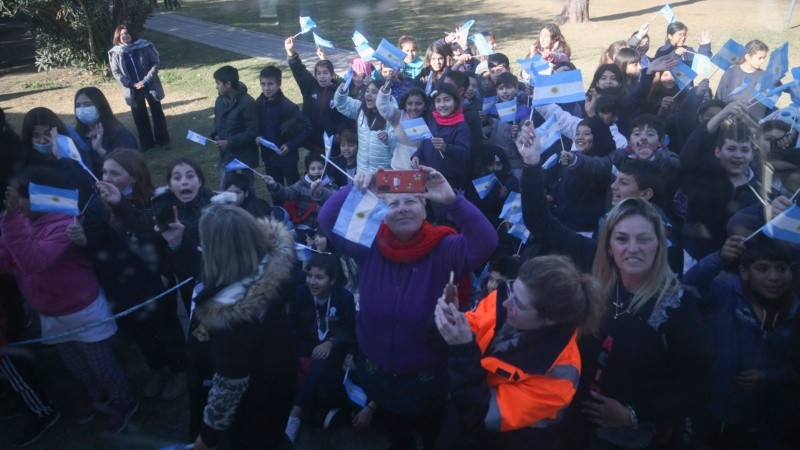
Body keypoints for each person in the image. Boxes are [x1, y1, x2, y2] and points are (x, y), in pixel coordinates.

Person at [516, 125, 711, 449]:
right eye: (621, 238)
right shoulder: (598, 274)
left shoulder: (677, 308)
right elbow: (541, 224)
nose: (632, 248)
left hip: (631, 439)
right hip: (575, 426)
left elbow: (697, 387)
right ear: (608, 244)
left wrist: (634, 414)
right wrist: (532, 164)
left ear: (658, 245)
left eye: (643, 239)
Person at [317, 166, 497, 449]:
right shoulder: (369, 244)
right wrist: (357, 190)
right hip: (377, 374)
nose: (402, 209)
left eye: (411, 201)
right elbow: (327, 220)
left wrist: (452, 200)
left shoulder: (445, 248)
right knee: (396, 436)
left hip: (427, 380)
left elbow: (485, 242)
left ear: (425, 208)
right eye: (393, 203)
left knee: (431, 436)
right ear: (382, 212)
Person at [1, 167, 138, 433]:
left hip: (81, 310)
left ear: (41, 197)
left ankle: (123, 400)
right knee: (76, 365)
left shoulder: (64, 223)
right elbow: (5, 254)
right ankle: (97, 395)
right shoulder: (18, 220)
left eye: (20, 198)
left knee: (102, 365)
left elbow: (34, 261)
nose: (14, 204)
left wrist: (10, 220)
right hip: (49, 312)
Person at [435, 254, 605, 449]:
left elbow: (482, 416)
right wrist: (446, 321)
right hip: (458, 427)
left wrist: (463, 349)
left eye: (519, 304)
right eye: (511, 289)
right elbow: (450, 348)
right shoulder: (503, 301)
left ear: (550, 320)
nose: (507, 303)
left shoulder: (560, 374)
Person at [65, 149, 188, 402]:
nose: (106, 178)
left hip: (154, 282)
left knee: (165, 329)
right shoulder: (97, 204)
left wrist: (166, 273)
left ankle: (179, 370)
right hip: (120, 284)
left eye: (114, 173)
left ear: (133, 177)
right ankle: (156, 368)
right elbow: (96, 243)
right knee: (138, 332)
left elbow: (162, 240)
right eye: (104, 172)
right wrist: (83, 239)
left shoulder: (154, 201)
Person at [188, 204, 297, 449]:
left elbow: (228, 387)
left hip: (254, 404)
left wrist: (207, 437)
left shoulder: (232, 315)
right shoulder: (272, 268)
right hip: (280, 379)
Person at [684, 234, 800, 449]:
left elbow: (795, 368)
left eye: (781, 269)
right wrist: (718, 258)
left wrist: (769, 377)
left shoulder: (795, 312)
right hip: (710, 406)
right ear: (745, 272)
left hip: (764, 422)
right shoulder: (727, 292)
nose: (773, 277)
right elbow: (688, 286)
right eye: (762, 268)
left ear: (791, 271)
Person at [284, 253, 356, 442]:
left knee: (322, 359)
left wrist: (331, 343)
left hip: (332, 350)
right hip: (305, 345)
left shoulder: (344, 297)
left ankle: (295, 415)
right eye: (309, 275)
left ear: (332, 279)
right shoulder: (301, 293)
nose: (312, 282)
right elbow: (290, 324)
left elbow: (350, 330)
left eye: (319, 277)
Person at [156, 158, 213, 312]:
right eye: (177, 178)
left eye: (190, 176)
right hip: (188, 283)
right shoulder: (166, 214)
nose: (184, 182)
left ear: (200, 181)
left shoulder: (216, 209)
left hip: (217, 279)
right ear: (169, 185)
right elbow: (164, 251)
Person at [108, 25, 171, 151]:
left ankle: (163, 141)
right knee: (139, 116)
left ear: (131, 33)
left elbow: (155, 63)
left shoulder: (145, 46)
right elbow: (116, 72)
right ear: (118, 37)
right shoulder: (115, 52)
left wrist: (146, 80)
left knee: (157, 113)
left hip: (150, 85)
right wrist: (131, 84)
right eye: (121, 35)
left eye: (126, 33)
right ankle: (146, 143)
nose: (125, 36)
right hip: (132, 89)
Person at [19, 107, 96, 208]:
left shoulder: (73, 150)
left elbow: (85, 187)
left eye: (48, 133)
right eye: (36, 135)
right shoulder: (24, 159)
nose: (42, 141)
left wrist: (61, 159)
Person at [285, 36, 350, 154]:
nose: (322, 76)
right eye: (319, 73)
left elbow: (345, 117)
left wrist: (339, 133)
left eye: (325, 73)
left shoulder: (339, 93)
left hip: (330, 143)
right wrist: (290, 52)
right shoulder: (310, 87)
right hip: (310, 140)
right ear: (315, 75)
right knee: (313, 168)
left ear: (332, 74)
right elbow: (299, 71)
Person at [255, 65, 312, 186]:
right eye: (263, 84)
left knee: (294, 189)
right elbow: (256, 124)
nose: (266, 88)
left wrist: (291, 145)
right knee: (274, 189)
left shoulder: (288, 107)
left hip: (287, 158)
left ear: (279, 84)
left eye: (270, 84)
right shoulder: (259, 104)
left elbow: (307, 128)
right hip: (268, 158)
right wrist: (257, 135)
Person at [412, 84, 471, 192]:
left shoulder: (461, 126)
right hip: (429, 177)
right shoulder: (434, 120)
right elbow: (426, 143)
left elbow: (464, 153)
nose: (442, 105)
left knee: (444, 208)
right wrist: (417, 155)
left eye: (447, 100)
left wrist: (446, 147)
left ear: (456, 102)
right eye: (438, 101)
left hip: (449, 182)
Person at [211, 65, 259, 189]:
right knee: (225, 185)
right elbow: (217, 120)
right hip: (226, 154)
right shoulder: (219, 100)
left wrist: (230, 142)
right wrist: (215, 134)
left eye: (218, 83)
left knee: (247, 186)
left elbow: (253, 131)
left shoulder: (248, 103)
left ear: (228, 84)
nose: (216, 86)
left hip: (244, 155)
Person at [265, 153, 337, 235]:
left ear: (325, 169)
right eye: (313, 169)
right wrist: (274, 185)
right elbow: (287, 193)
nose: (316, 172)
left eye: (320, 168)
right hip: (303, 226)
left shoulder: (332, 186)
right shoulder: (301, 184)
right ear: (307, 170)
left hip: (323, 228)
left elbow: (335, 205)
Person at [334, 79, 396, 174]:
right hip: (362, 172)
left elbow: (397, 146)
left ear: (384, 96)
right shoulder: (361, 109)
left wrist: (388, 138)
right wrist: (341, 92)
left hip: (383, 173)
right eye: (367, 91)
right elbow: (342, 105)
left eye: (374, 92)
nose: (369, 94)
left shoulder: (392, 116)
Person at [73, 86, 138, 171]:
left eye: (87, 104)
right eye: (78, 105)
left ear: (100, 106)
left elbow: (128, 163)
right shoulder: (77, 134)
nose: (81, 109)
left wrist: (100, 150)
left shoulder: (117, 132)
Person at [377, 80, 427, 170]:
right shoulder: (398, 116)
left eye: (419, 104)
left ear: (425, 105)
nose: (414, 107)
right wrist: (386, 88)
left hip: (419, 172)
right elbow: (382, 106)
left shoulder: (429, 120)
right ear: (404, 105)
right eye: (410, 103)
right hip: (397, 169)